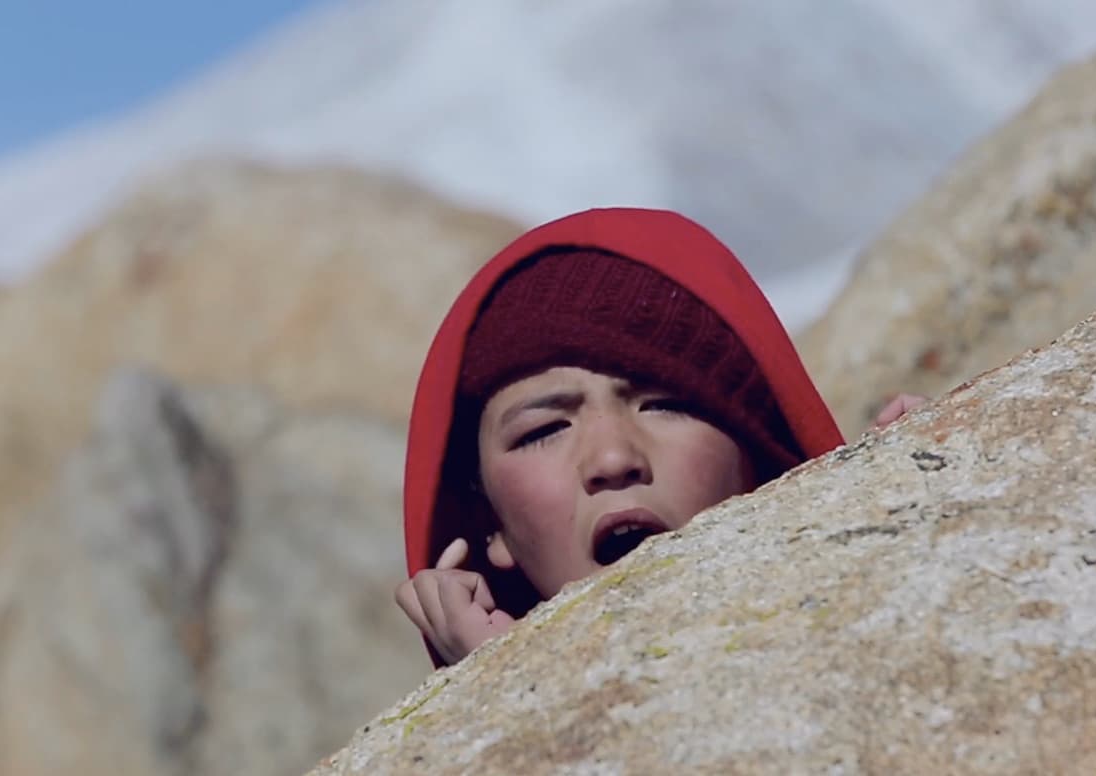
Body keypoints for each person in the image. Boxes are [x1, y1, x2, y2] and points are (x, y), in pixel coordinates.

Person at [394, 207, 923, 668]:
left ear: (761, 459)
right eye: (545, 429)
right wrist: (500, 688)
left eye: (667, 405)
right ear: (490, 524)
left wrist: (919, 542)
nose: (613, 458)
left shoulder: (902, 604)